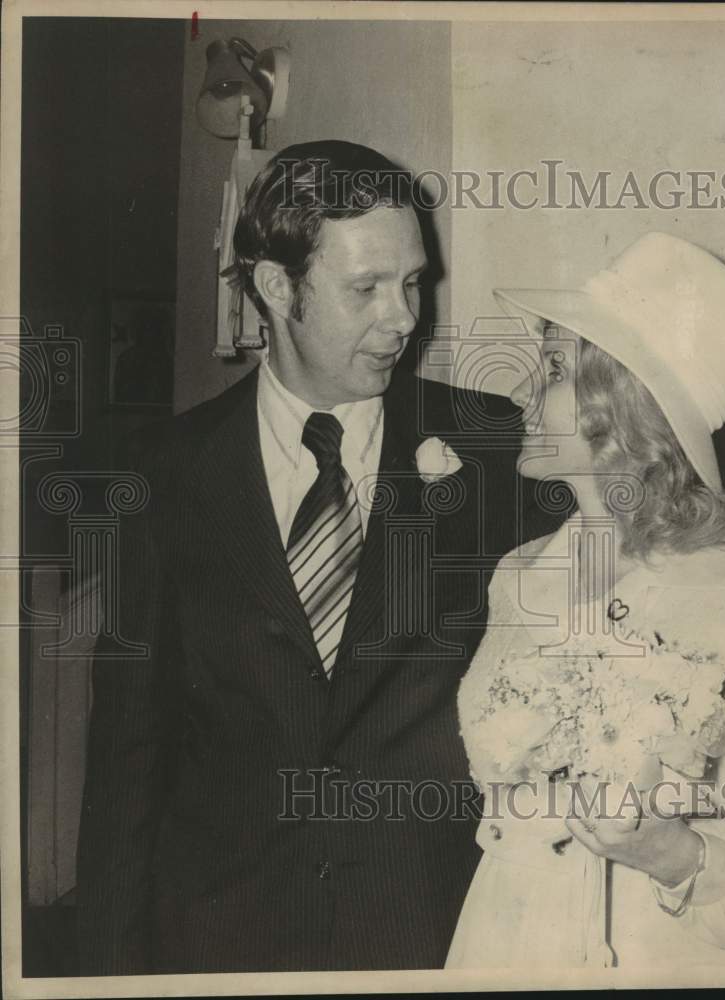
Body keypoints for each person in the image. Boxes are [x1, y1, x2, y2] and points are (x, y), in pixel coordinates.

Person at [76, 140, 558, 974]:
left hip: (433, 932)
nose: (404, 317)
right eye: (366, 288)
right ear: (275, 287)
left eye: (413, 282)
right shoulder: (158, 476)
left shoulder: (494, 448)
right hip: (221, 936)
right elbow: (128, 754)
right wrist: (104, 972)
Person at [446, 232, 725, 968]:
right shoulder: (518, 574)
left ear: (620, 400)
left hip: (658, 956)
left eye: (554, 369)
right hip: (502, 940)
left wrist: (673, 853)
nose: (526, 393)